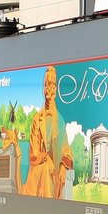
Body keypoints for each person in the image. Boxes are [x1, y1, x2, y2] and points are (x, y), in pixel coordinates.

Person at [21, 66, 73, 198]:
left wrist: (63, 166)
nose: (48, 88)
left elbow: (66, 151)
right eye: (45, 84)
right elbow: (33, 155)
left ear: (55, 89)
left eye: (51, 84)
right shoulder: (36, 120)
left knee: (52, 176)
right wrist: (46, 160)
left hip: (54, 173)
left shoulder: (60, 121)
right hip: (39, 172)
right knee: (44, 169)